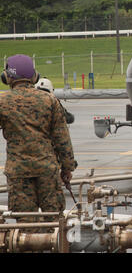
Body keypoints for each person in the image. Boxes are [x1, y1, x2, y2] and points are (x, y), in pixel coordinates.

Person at [0, 54, 77, 231]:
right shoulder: (49, 100)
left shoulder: (3, 101)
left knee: (26, 226)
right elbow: (62, 138)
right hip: (47, 171)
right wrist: (67, 168)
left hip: (18, 173)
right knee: (54, 225)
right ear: (34, 76)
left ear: (8, 77)